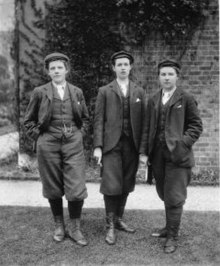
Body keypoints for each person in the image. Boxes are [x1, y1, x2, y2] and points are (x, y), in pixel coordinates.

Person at [24, 52, 89, 246]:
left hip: (73, 143)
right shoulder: (40, 92)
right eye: (52, 68)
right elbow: (28, 121)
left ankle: (75, 227)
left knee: (76, 187)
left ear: (66, 70)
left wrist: (80, 134)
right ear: (48, 72)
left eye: (60, 67)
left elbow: (85, 118)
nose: (56, 71)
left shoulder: (76, 91)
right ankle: (59, 225)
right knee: (52, 186)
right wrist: (40, 137)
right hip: (48, 143)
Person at [144, 59, 203, 253]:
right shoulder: (153, 99)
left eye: (170, 74)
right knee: (163, 192)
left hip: (178, 157)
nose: (166, 77)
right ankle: (168, 227)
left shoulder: (186, 98)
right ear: (159, 77)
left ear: (177, 76)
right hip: (158, 156)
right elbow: (149, 127)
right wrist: (147, 152)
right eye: (163, 74)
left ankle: (172, 236)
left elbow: (196, 126)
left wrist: (182, 144)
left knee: (175, 196)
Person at [93, 51, 148, 245]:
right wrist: (98, 147)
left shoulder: (139, 91)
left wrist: (143, 150)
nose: (123, 67)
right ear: (114, 67)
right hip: (111, 145)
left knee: (126, 183)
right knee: (111, 184)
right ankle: (110, 226)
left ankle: (118, 219)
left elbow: (144, 124)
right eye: (119, 64)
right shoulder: (105, 91)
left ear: (130, 67)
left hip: (131, 145)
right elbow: (98, 120)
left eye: (126, 64)